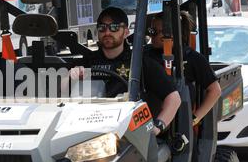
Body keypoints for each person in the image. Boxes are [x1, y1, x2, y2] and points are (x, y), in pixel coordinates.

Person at [146, 11, 222, 162]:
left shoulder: (192, 58)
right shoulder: (145, 56)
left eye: (161, 32)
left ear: (175, 33)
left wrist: (196, 118)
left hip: (182, 126)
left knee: (190, 160)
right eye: (153, 31)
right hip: (151, 122)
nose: (154, 36)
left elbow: (214, 90)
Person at [72, 7, 181, 136]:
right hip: (88, 127)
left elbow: (174, 98)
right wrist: (71, 76)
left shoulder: (140, 63)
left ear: (126, 32)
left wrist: (157, 127)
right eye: (102, 28)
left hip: (130, 133)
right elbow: (61, 96)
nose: (107, 32)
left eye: (114, 27)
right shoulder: (87, 61)